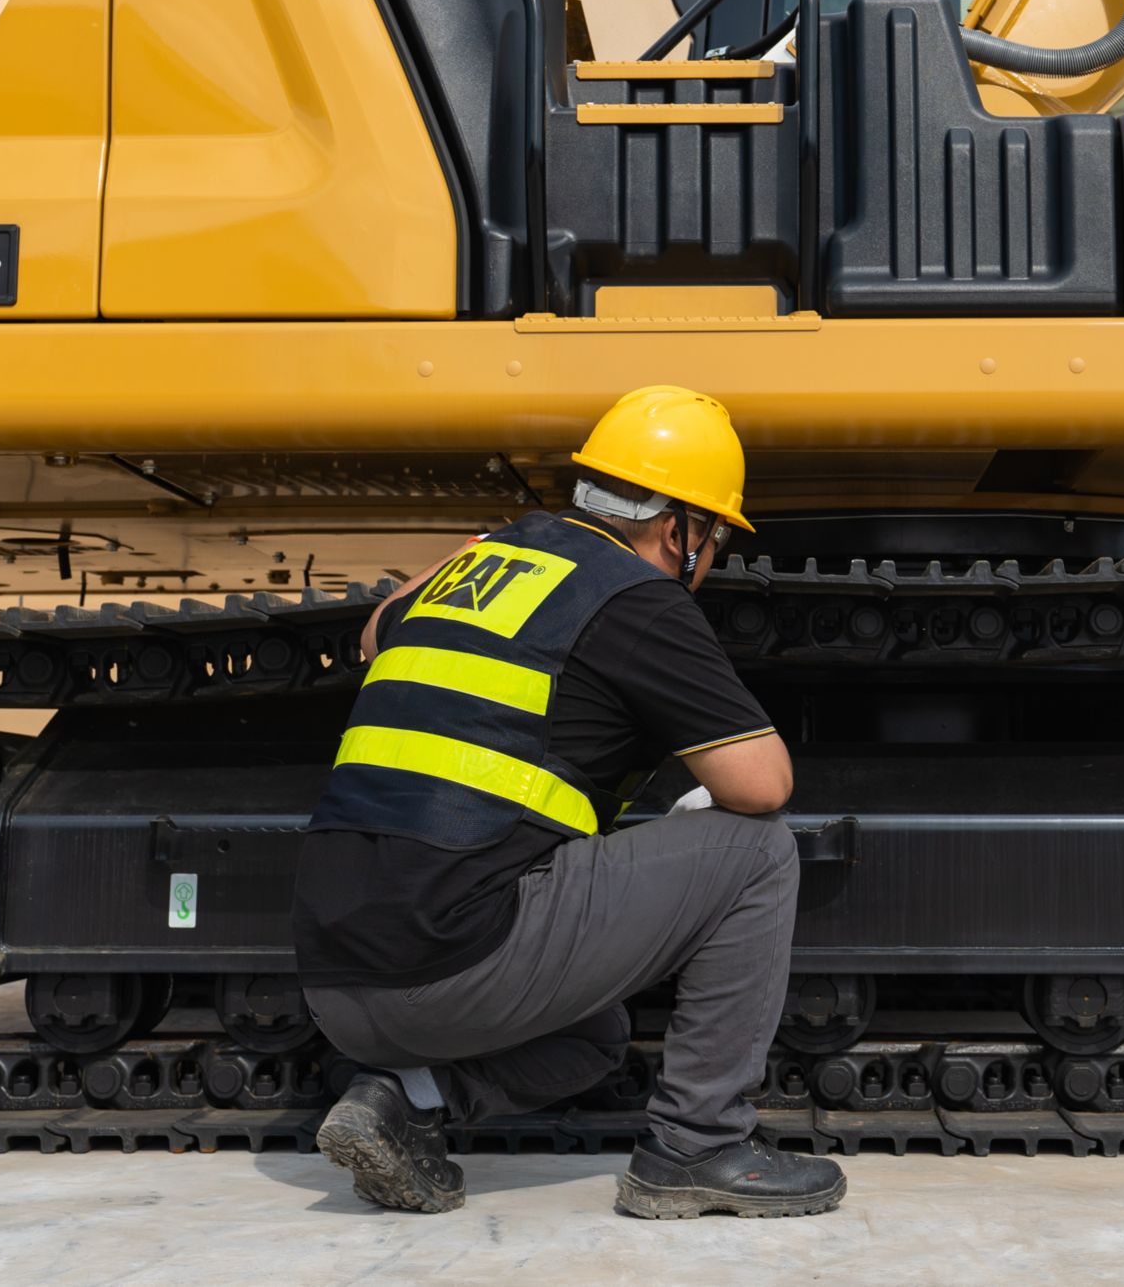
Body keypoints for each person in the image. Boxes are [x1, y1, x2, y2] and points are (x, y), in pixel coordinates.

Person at [293, 384, 846, 1220]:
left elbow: (374, 634)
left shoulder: (487, 564)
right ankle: (699, 1147)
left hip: (333, 983)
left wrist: (484, 545)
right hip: (449, 966)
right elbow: (761, 782)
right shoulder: (638, 596)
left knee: (593, 1036)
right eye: (717, 539)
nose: (712, 558)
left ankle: (403, 1098)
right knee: (756, 850)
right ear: (680, 529)